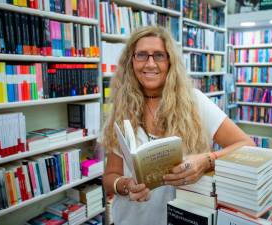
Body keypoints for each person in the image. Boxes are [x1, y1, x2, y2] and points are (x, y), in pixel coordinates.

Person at [102, 26, 255, 225]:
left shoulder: (195, 102)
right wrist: (125, 185)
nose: (150, 64)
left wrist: (207, 161)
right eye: (141, 55)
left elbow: (246, 144)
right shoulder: (122, 108)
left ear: (170, 61)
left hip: (183, 218)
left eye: (158, 55)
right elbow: (109, 176)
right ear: (131, 61)